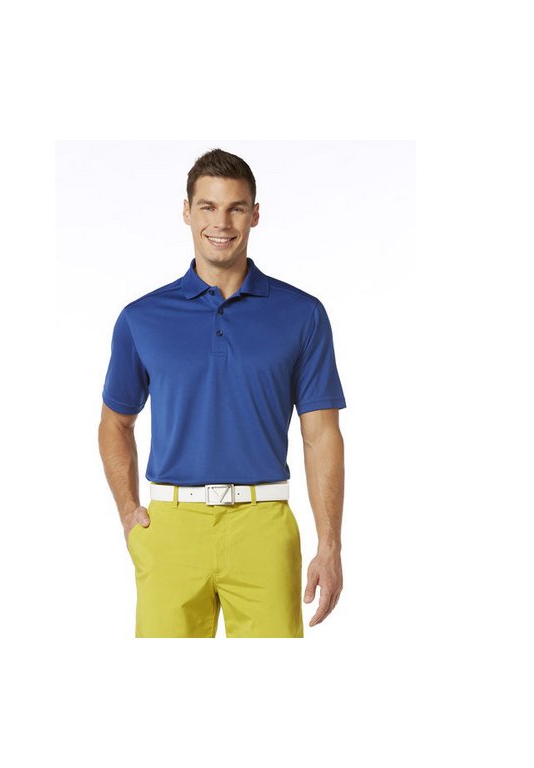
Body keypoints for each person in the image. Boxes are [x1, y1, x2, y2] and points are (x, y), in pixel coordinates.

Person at [98, 148, 346, 638]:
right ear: (187, 211)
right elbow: (114, 423)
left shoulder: (302, 314)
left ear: (255, 214)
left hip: (264, 525)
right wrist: (129, 512)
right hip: (171, 529)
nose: (221, 222)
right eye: (208, 207)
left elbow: (321, 435)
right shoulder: (142, 318)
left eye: (236, 208)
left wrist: (330, 544)